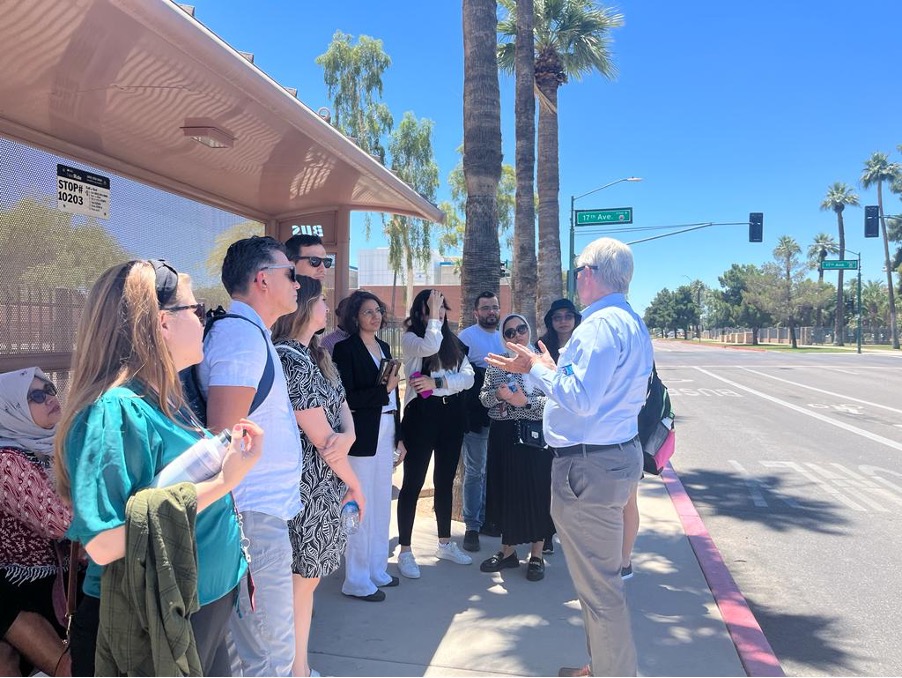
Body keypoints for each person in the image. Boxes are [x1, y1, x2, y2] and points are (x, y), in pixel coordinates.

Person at [55, 260, 262, 677]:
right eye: (198, 310)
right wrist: (226, 480)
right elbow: (104, 543)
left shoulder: (163, 399)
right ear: (162, 323)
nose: (206, 321)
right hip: (149, 626)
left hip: (192, 610)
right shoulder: (113, 411)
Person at [487, 237, 653, 677]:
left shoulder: (598, 326)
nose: (576, 277)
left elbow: (579, 398)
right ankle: (602, 665)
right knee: (599, 584)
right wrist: (548, 370)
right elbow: (593, 391)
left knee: (600, 590)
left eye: (580, 269)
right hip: (610, 457)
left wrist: (536, 371)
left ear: (589, 274)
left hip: (588, 467)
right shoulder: (630, 321)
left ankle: (614, 672)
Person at [197, 236, 303, 677]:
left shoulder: (250, 334)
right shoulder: (241, 336)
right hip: (251, 517)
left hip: (258, 515)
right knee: (269, 656)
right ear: (263, 279)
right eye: (291, 274)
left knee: (261, 653)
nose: (299, 284)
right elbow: (223, 436)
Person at [272, 277, 363, 677]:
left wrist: (351, 434)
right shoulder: (289, 357)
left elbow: (342, 408)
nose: (328, 307)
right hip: (307, 486)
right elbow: (322, 438)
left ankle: (301, 667)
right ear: (305, 307)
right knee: (299, 583)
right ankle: (295, 669)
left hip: (325, 484)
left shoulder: (315, 355)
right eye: (322, 300)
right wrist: (355, 482)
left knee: (306, 582)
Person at [0, 368, 74, 676]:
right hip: (20, 586)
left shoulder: (51, 447)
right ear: (11, 408)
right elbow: (63, 523)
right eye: (35, 396)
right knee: (67, 667)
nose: (50, 399)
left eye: (50, 390)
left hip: (62, 577)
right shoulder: (8, 462)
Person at [396, 289, 475, 578]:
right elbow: (429, 346)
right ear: (420, 312)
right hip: (421, 417)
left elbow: (468, 378)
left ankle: (445, 542)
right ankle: (405, 550)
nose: (439, 314)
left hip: (450, 416)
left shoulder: (453, 343)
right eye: (432, 308)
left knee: (444, 480)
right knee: (413, 483)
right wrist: (432, 318)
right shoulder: (412, 338)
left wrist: (438, 381)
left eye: (442, 308)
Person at [332, 291, 405, 601]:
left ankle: (377, 570)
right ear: (354, 317)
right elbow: (344, 398)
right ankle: (357, 579)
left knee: (379, 503)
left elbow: (394, 396)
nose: (375, 316)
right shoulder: (344, 350)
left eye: (377, 311)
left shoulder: (384, 346)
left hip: (386, 429)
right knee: (360, 506)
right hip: (361, 435)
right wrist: (383, 392)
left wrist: (400, 434)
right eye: (367, 312)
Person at [477, 315, 552, 582]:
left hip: (535, 438)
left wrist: (524, 403)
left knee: (537, 492)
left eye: (521, 329)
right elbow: (485, 398)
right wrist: (498, 396)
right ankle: (507, 552)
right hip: (504, 437)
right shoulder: (497, 363)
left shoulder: (542, 363)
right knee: (506, 492)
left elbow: (556, 401)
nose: (516, 335)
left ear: (528, 331)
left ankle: (537, 554)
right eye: (509, 332)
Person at [457, 292, 504, 553]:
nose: (491, 312)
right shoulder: (466, 337)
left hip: (505, 415)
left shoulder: (505, 336)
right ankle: (472, 526)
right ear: (476, 312)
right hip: (476, 418)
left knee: (495, 470)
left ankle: (490, 519)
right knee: (475, 472)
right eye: (485, 308)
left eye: (494, 307)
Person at [538, 298, 582, 363]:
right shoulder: (541, 345)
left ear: (575, 319)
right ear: (551, 321)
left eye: (568, 316)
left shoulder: (583, 343)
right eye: (557, 317)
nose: (563, 321)